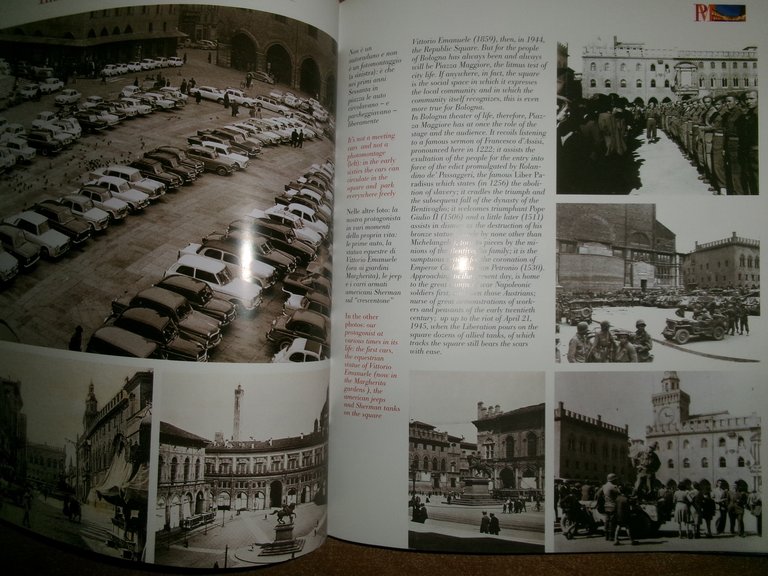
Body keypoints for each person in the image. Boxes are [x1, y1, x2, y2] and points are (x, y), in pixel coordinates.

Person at [598, 473, 619, 541]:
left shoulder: (604, 486)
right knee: (612, 522)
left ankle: (606, 536)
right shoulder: (614, 486)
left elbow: (598, 494)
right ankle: (611, 537)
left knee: (607, 521)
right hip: (613, 505)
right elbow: (620, 494)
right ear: (613, 479)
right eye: (615, 479)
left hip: (606, 505)